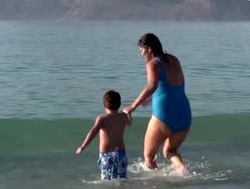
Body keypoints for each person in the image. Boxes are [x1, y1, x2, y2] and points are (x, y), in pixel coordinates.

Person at [123, 33, 191, 174]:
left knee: (149, 157)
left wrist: (132, 107)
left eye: (141, 50)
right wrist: (153, 98)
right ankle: (181, 168)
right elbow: (176, 84)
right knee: (170, 151)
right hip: (184, 112)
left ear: (148, 49)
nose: (141, 54)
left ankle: (157, 188)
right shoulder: (174, 59)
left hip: (164, 114)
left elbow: (152, 85)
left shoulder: (153, 64)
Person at [76, 90, 132, 180]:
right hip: (120, 153)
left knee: (106, 179)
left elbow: (93, 131)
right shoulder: (123, 116)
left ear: (104, 105)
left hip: (106, 154)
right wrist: (128, 113)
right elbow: (129, 123)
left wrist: (83, 146)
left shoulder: (103, 119)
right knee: (122, 178)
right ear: (119, 104)